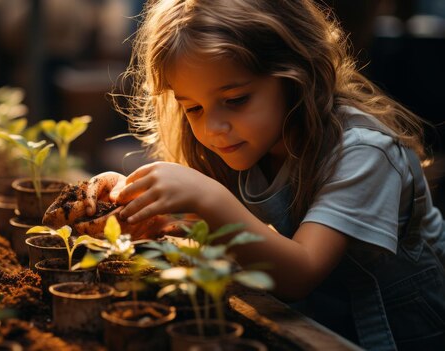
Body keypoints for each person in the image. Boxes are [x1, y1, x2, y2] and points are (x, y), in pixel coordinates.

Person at [83, 0, 445, 349]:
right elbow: (235, 236)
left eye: (236, 99)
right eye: (192, 107)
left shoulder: (364, 153)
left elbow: (300, 274)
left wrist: (209, 198)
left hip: (404, 336)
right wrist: (139, 207)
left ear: (295, 74)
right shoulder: (249, 142)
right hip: (317, 328)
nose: (212, 128)